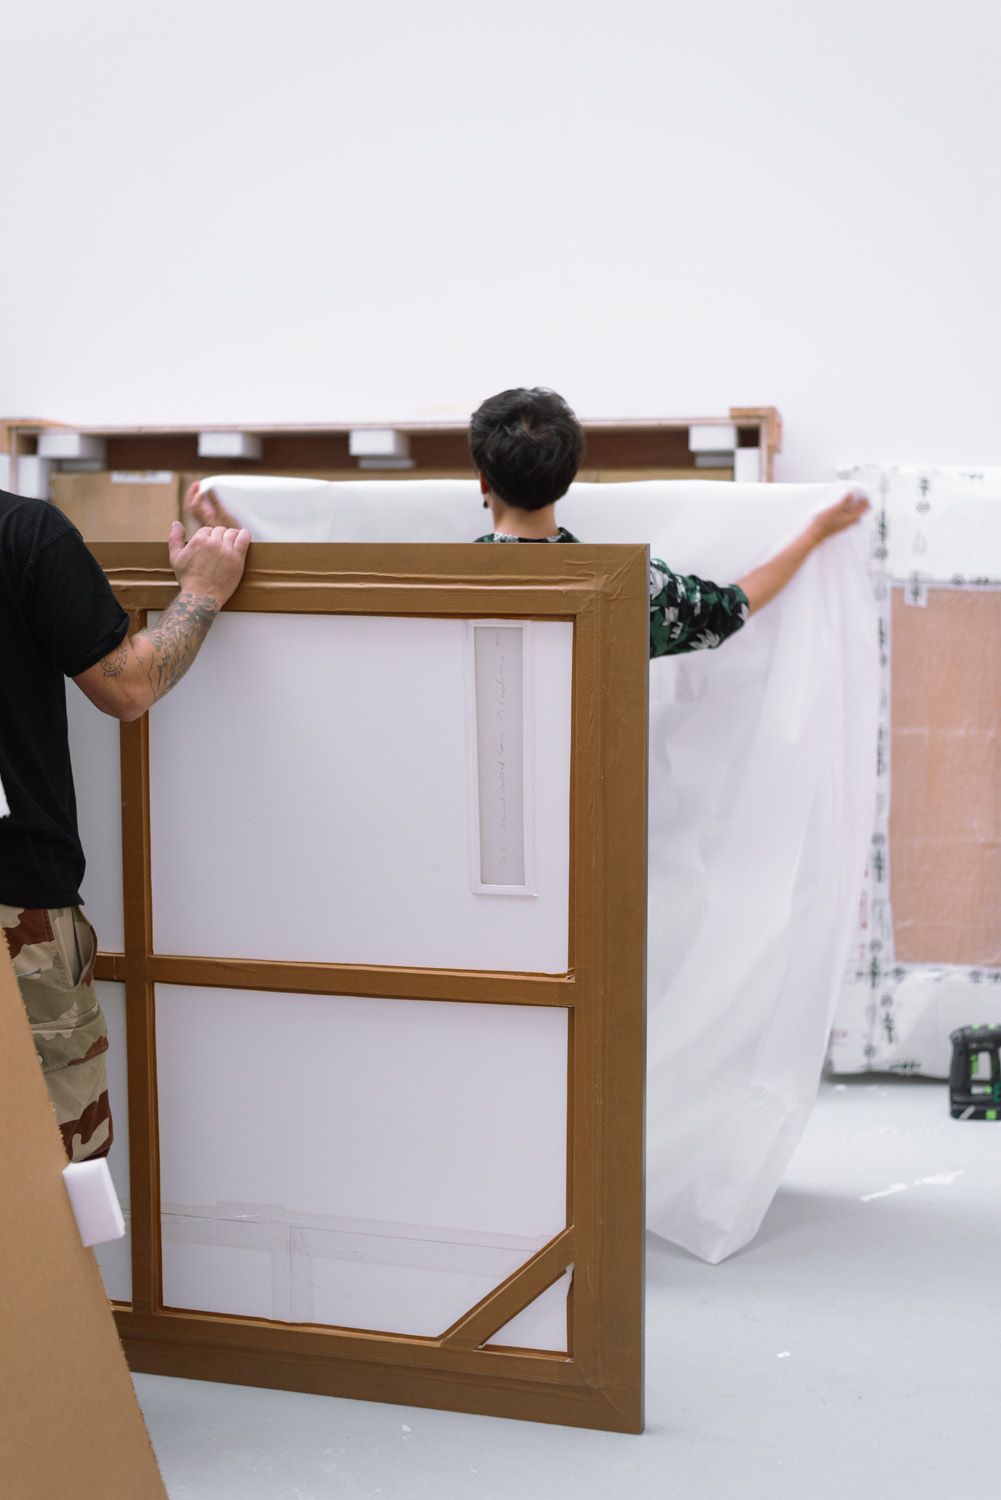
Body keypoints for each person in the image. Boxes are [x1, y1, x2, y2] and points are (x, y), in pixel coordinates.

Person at [0, 484, 250, 1161]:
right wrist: (202, 590)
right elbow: (126, 685)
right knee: (54, 1175)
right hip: (15, 910)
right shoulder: (22, 531)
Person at [469, 387, 869, 655]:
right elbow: (732, 607)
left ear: (484, 480)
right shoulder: (630, 588)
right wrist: (815, 534)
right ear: (567, 479)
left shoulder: (442, 583)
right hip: (592, 764)